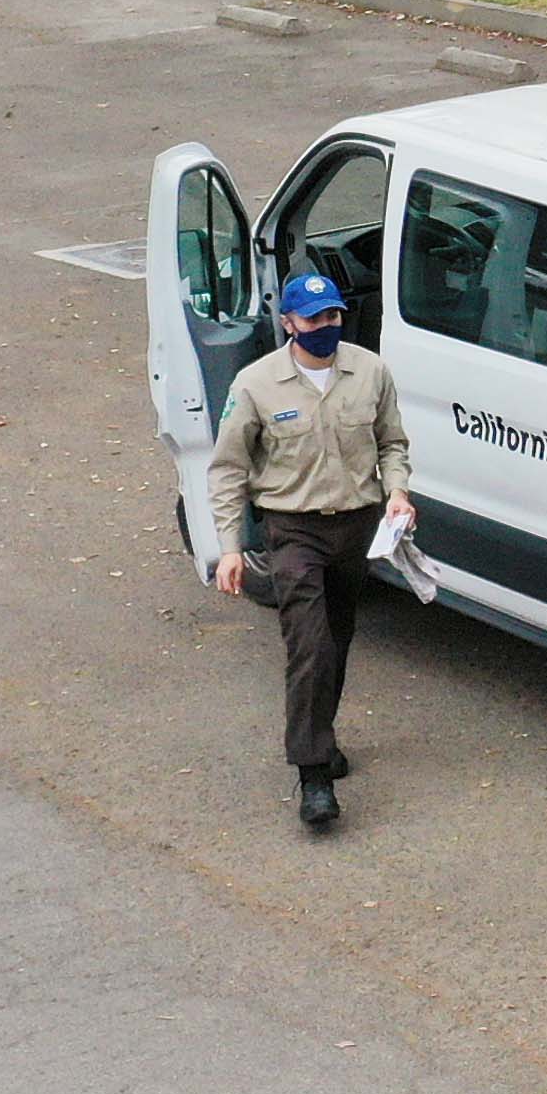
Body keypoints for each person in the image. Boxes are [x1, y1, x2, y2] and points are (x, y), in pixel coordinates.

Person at [204, 273, 414, 832]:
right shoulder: (255, 386)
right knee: (310, 645)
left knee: (336, 640)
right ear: (289, 323)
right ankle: (313, 775)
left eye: (334, 317)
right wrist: (229, 548)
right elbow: (227, 470)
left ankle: (322, 735)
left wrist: (397, 491)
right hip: (293, 530)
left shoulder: (370, 372)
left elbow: (392, 442)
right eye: (314, 319)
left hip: (356, 526)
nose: (326, 328)